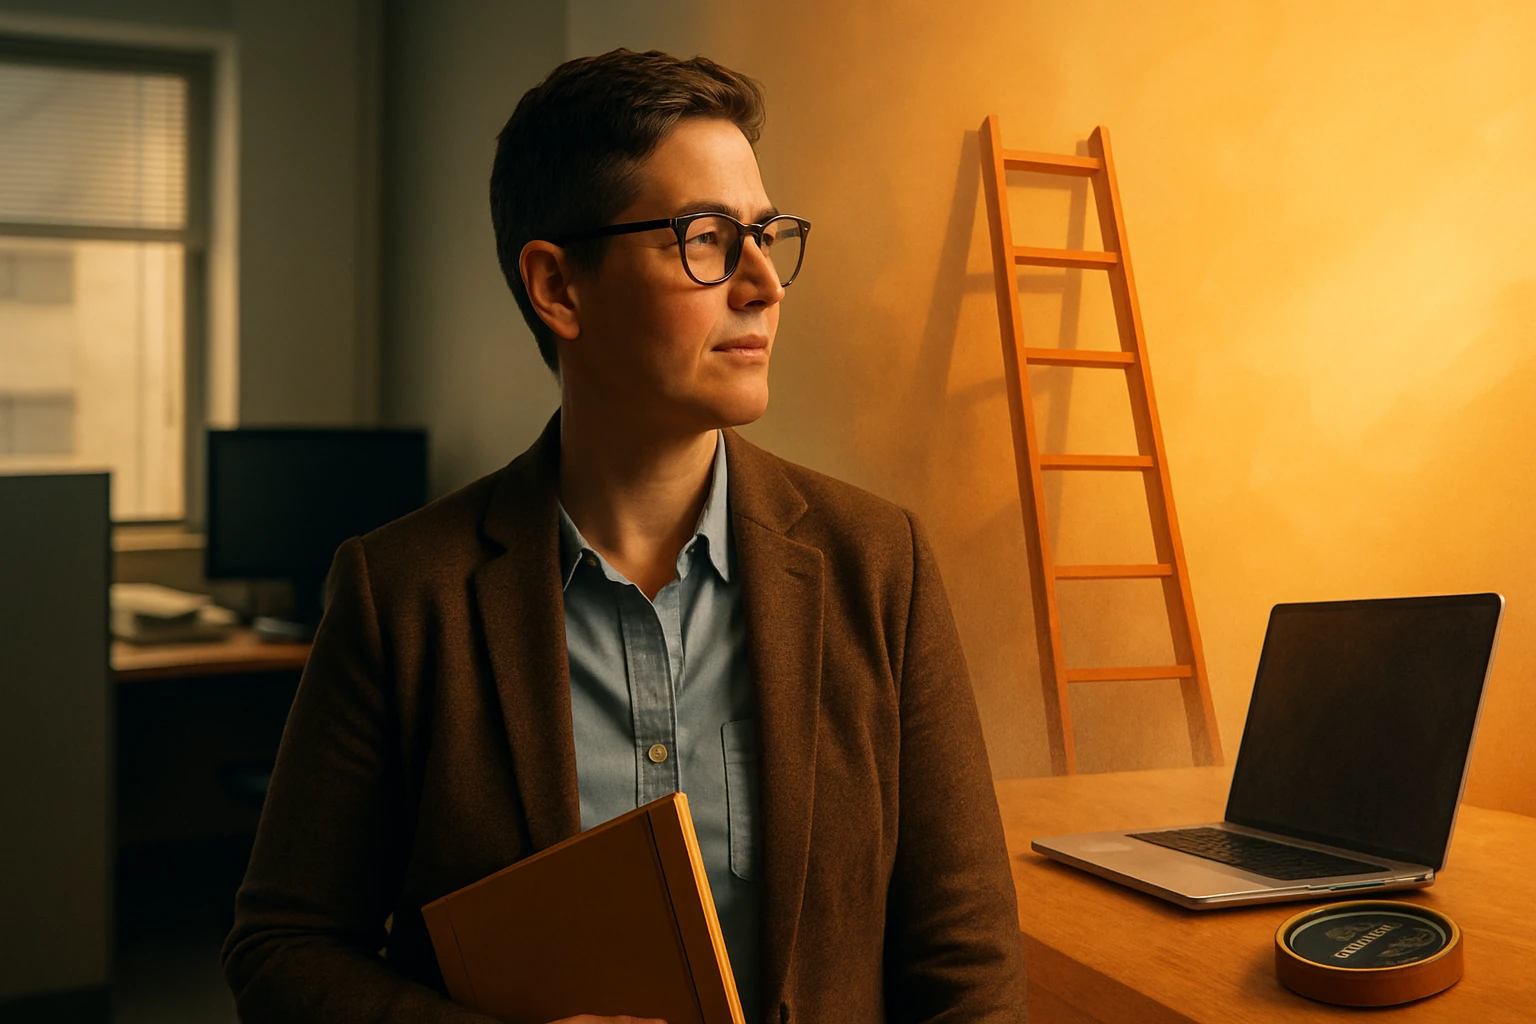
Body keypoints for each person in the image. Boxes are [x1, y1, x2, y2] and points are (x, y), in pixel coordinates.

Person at [222, 48, 1027, 1024]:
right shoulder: (401, 596)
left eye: (766, 235)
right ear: (558, 287)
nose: (764, 283)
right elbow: (283, 951)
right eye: (706, 239)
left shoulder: (879, 562)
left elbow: (965, 962)